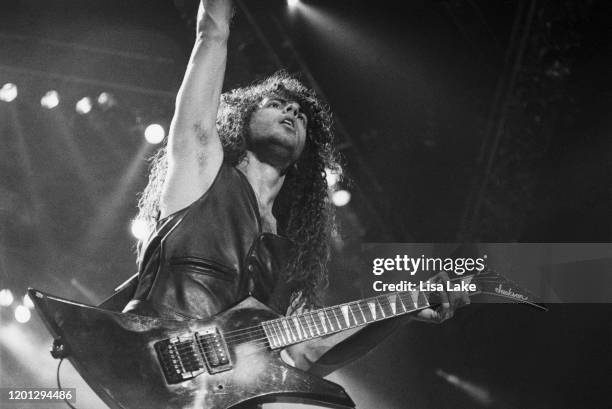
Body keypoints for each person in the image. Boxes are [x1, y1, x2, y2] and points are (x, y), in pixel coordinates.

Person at [117, 0, 467, 402]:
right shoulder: (201, 172)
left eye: (300, 113)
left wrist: (404, 307)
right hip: (141, 373)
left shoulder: (284, 254)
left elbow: (303, 355)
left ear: (305, 155)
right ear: (241, 121)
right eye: (276, 104)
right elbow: (211, 32)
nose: (291, 110)